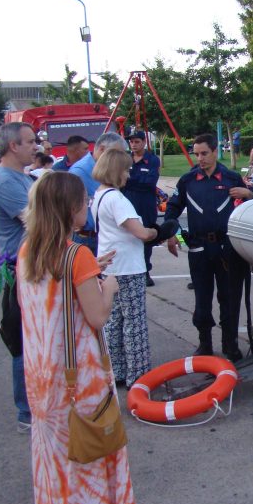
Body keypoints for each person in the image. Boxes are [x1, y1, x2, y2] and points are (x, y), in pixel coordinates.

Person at [17, 172, 135, 504]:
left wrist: (86, 271)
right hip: (79, 376)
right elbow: (97, 316)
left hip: (42, 377)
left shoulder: (30, 250)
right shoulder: (75, 254)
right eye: (84, 201)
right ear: (71, 209)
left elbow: (54, 289)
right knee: (89, 451)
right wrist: (108, 286)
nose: (88, 205)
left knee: (54, 455)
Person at [165, 133, 249, 361]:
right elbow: (172, 208)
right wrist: (170, 233)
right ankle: (204, 344)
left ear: (215, 151)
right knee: (202, 300)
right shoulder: (188, 180)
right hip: (199, 248)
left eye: (204, 153)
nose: (200, 158)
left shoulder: (231, 178)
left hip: (227, 249)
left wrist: (248, 193)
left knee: (229, 298)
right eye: (196, 154)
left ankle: (230, 345)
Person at [0, 121, 38, 432]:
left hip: (31, 267)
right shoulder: (5, 182)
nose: (37, 146)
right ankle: (26, 413)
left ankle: (37, 403)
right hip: (20, 271)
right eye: (30, 141)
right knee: (24, 343)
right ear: (13, 146)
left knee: (37, 339)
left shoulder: (21, 177)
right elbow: (37, 222)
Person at [92, 148, 158, 388]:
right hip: (128, 267)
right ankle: (138, 375)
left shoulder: (99, 195)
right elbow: (140, 232)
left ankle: (116, 370)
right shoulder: (117, 199)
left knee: (114, 321)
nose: (129, 175)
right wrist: (156, 231)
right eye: (126, 170)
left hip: (110, 266)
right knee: (134, 323)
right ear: (116, 171)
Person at [69, 132, 128, 254]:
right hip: (87, 238)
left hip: (103, 236)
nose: (120, 159)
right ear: (101, 149)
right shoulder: (79, 172)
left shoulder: (106, 170)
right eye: (115, 154)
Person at [123, 130, 161, 286]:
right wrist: (136, 181)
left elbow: (150, 182)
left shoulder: (152, 160)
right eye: (131, 142)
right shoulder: (125, 159)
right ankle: (130, 270)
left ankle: (145, 271)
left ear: (144, 142)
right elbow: (120, 181)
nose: (133, 144)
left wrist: (130, 180)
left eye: (137, 141)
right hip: (127, 204)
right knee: (128, 238)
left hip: (145, 205)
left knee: (146, 240)